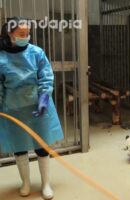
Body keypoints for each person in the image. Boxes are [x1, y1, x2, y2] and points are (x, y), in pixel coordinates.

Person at [0, 17, 64, 200]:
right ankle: (25, 183)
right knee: (19, 147)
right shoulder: (1, 57)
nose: (26, 37)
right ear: (9, 34)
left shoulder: (36, 52)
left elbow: (46, 77)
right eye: (21, 34)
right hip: (13, 108)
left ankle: (45, 184)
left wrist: (44, 98)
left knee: (41, 146)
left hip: (38, 107)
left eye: (28, 34)